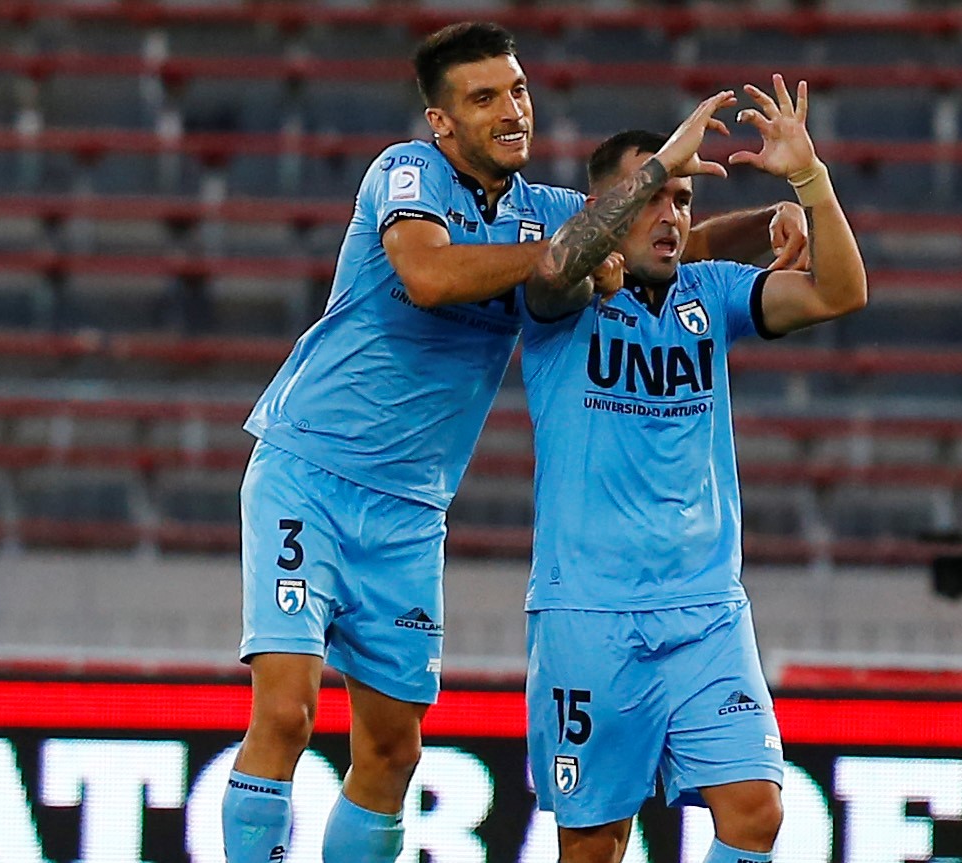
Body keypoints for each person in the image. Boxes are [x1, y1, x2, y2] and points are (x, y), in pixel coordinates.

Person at [221, 23, 806, 863]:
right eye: (484, 97)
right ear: (443, 122)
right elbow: (427, 274)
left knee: (391, 753)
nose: (511, 110)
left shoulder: (552, 213)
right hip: (310, 469)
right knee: (285, 711)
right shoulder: (407, 172)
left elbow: (663, 248)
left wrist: (772, 215)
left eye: (518, 90)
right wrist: (574, 243)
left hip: (413, 509)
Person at [517, 75, 868, 863]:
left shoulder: (711, 294)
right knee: (593, 843)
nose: (671, 215)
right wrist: (651, 173)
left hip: (706, 610)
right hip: (588, 614)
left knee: (756, 813)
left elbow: (842, 292)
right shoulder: (562, 301)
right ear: (607, 207)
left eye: (680, 199)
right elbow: (553, 271)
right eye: (651, 198)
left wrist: (808, 182)